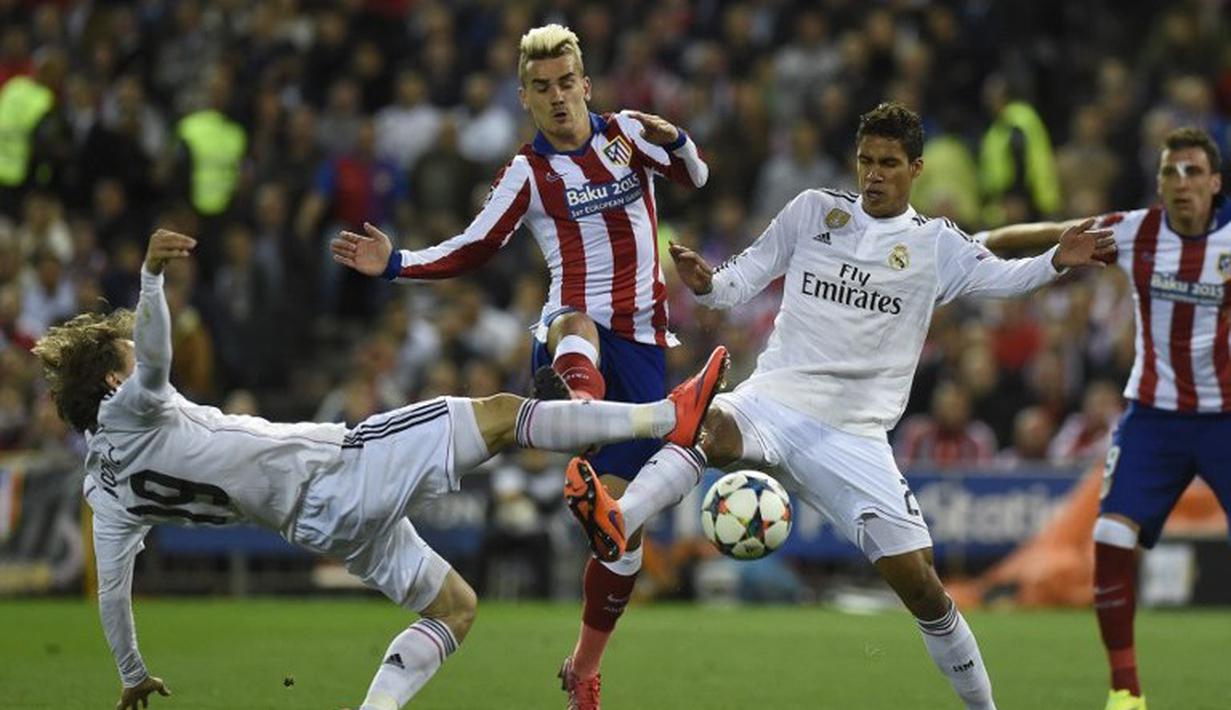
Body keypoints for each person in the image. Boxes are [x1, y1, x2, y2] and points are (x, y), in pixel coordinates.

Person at [31, 229, 729, 710]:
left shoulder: (106, 488)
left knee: (454, 607)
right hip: (336, 468)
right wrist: (151, 279)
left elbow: (112, 593)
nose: (136, 361)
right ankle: (667, 417)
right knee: (496, 412)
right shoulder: (136, 404)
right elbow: (154, 358)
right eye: (120, 356)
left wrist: (130, 674)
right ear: (111, 383)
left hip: (312, 524)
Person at [565, 103, 1114, 710]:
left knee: (923, 588)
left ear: (916, 170)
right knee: (707, 426)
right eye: (865, 161)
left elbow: (1004, 279)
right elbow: (740, 280)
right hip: (776, 397)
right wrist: (706, 284)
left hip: (854, 435)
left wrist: (1059, 260)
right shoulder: (812, 212)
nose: (873, 175)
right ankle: (620, 516)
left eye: (888, 164)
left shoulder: (935, 244)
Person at [330, 23, 709, 708]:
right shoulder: (526, 174)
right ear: (524, 98)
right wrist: (394, 264)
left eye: (567, 83)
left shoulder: (625, 134)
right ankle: (576, 412)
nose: (558, 97)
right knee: (574, 322)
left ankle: (585, 667)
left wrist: (675, 137)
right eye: (543, 88)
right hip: (573, 335)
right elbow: (472, 248)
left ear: (585, 85)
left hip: (647, 344)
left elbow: (696, 176)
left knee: (620, 535)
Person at [977, 126, 1231, 710]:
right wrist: (979, 237)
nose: (1181, 182)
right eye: (1171, 172)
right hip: (1154, 416)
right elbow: (1054, 234)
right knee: (1111, 535)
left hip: (1223, 417)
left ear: (1215, 184)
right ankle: (1125, 690)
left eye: (1193, 172)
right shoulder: (1138, 231)